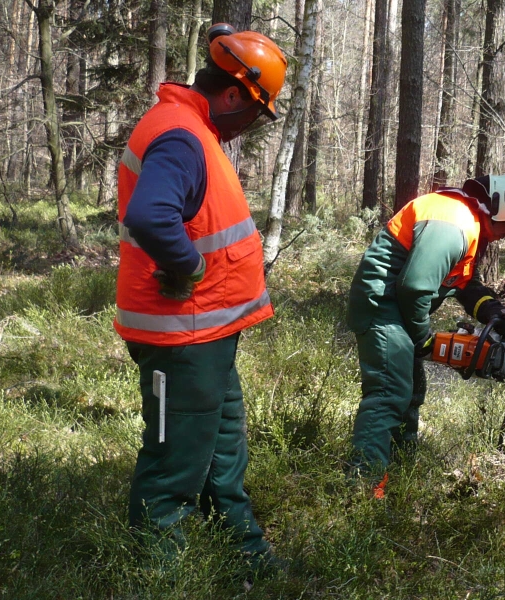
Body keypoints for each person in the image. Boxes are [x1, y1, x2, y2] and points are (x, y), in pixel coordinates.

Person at [113, 23, 287, 573]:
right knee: (175, 460)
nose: (249, 127)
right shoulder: (181, 135)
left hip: (207, 333)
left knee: (222, 445)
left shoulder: (192, 131)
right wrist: (187, 267)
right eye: (255, 114)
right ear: (234, 94)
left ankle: (243, 551)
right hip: (180, 334)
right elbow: (149, 215)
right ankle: (158, 572)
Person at [346, 174, 505, 490]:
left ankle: (399, 478)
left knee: (410, 392)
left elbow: (459, 283)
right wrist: (423, 339)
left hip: (394, 309)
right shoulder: (455, 220)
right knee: (388, 394)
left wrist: (491, 308)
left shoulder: (464, 222)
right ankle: (364, 487)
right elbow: (415, 286)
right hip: (382, 306)